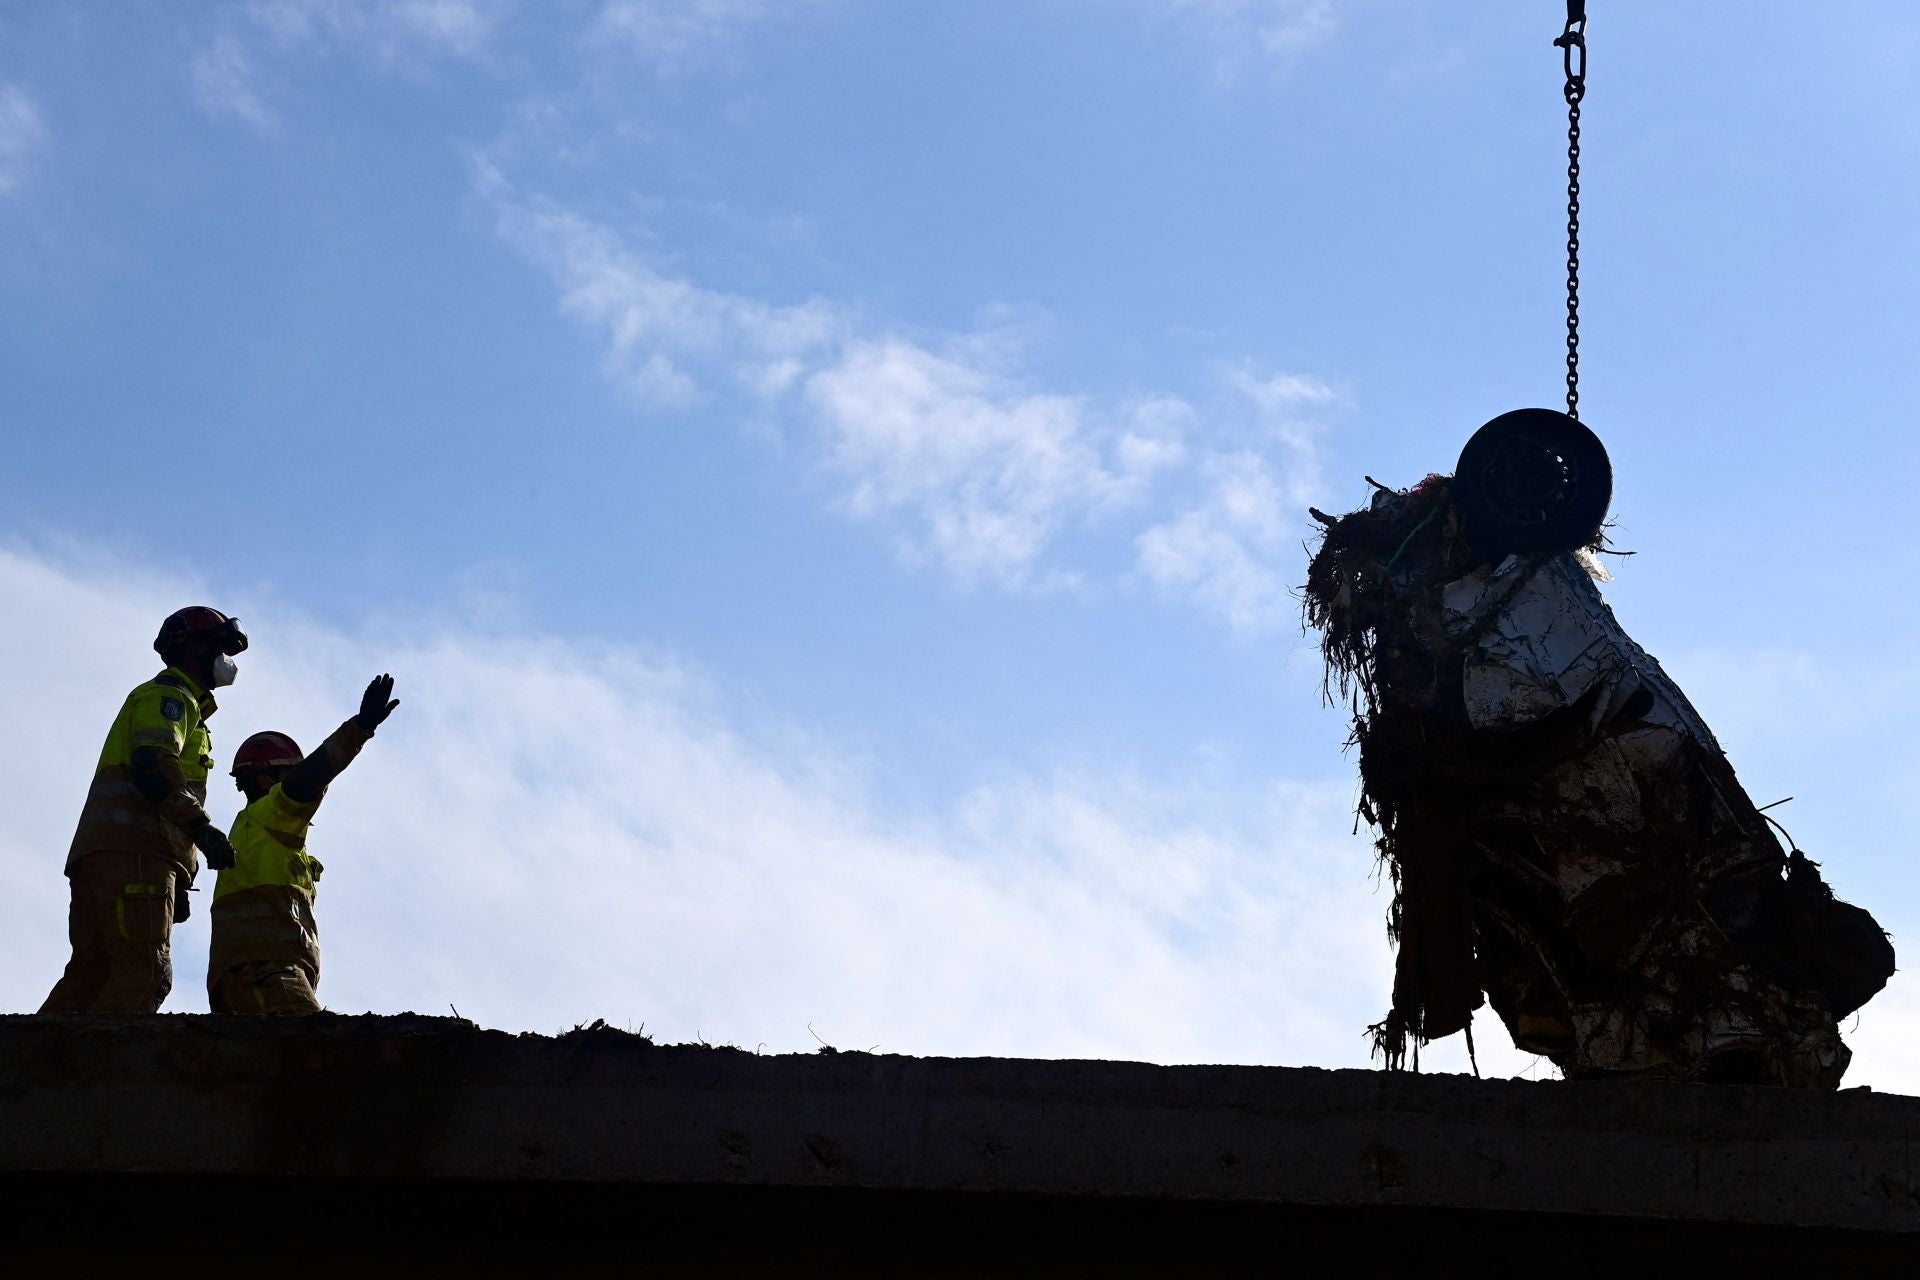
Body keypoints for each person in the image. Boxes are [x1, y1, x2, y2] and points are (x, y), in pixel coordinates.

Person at [41, 607, 247, 1014]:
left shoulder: (164, 699)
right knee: (146, 972)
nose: (227, 661)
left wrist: (181, 875)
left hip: (106, 855)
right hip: (138, 856)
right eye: (221, 648)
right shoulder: (172, 698)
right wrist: (203, 833)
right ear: (195, 649)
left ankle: (32, 1070)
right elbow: (155, 768)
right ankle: (98, 1073)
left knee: (92, 974)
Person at [207, 674, 400, 1015]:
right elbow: (310, 776)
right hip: (267, 970)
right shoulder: (271, 813)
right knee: (317, 1049)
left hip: (252, 972)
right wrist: (360, 728)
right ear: (267, 781)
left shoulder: (260, 832)